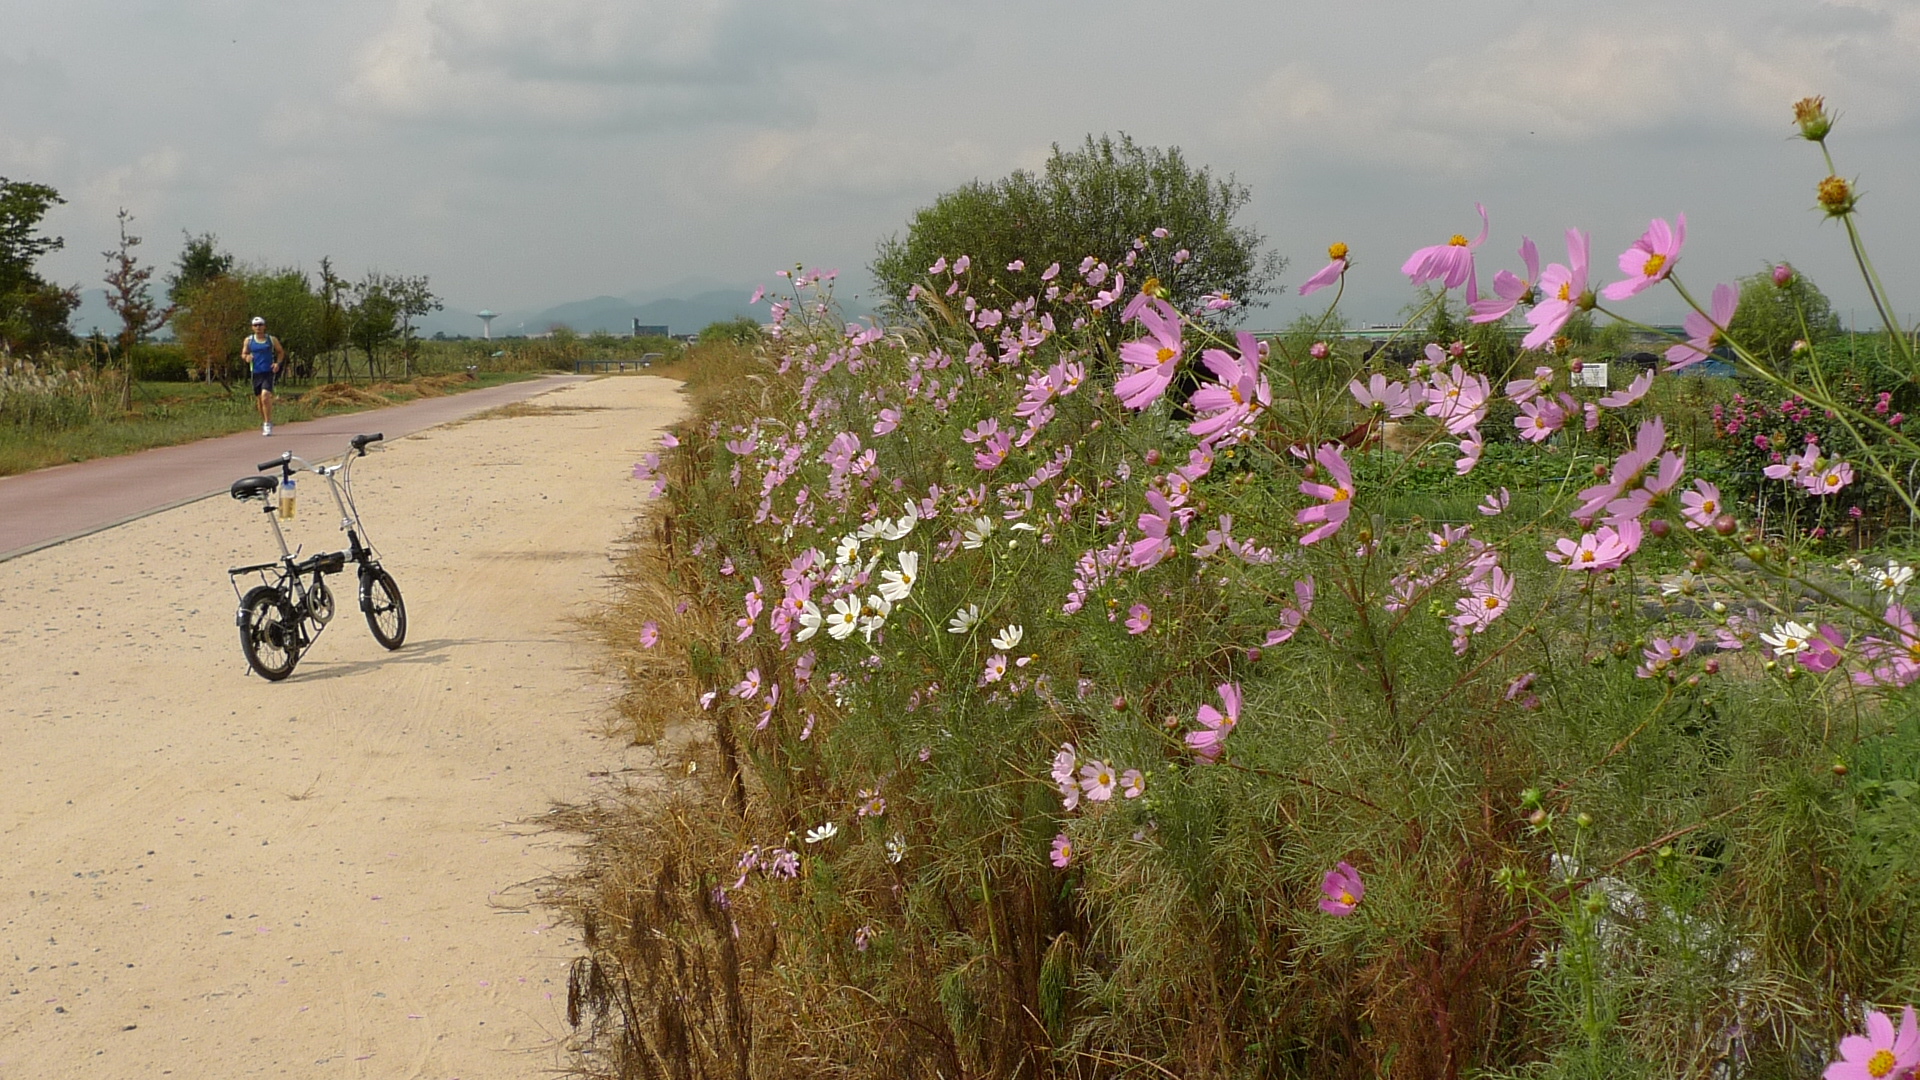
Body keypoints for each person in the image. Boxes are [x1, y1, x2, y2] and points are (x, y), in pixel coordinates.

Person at [242, 316, 285, 436]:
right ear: (252, 327)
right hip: (256, 372)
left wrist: (278, 363)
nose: (258, 327)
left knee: (266, 396)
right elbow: (244, 353)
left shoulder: (271, 339)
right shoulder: (249, 340)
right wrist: (247, 358)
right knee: (260, 400)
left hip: (268, 372)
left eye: (260, 325)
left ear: (264, 326)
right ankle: (264, 421)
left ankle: (268, 423)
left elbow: (280, 352)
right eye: (255, 325)